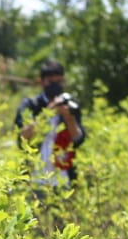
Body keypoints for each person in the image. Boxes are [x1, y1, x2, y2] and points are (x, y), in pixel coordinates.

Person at [14, 59, 86, 189]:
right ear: (41, 82)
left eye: (59, 82)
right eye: (51, 82)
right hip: (36, 180)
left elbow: (78, 140)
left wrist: (69, 117)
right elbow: (23, 137)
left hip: (63, 180)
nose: (55, 86)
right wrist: (48, 112)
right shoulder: (31, 105)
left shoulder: (70, 105)